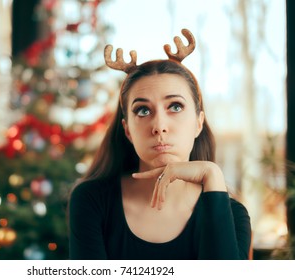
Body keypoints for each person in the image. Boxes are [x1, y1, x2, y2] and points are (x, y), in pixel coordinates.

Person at [68, 29, 251, 260]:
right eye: (143, 110)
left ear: (198, 123)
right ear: (127, 131)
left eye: (175, 106)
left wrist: (212, 173)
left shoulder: (232, 215)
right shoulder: (92, 200)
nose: (159, 126)